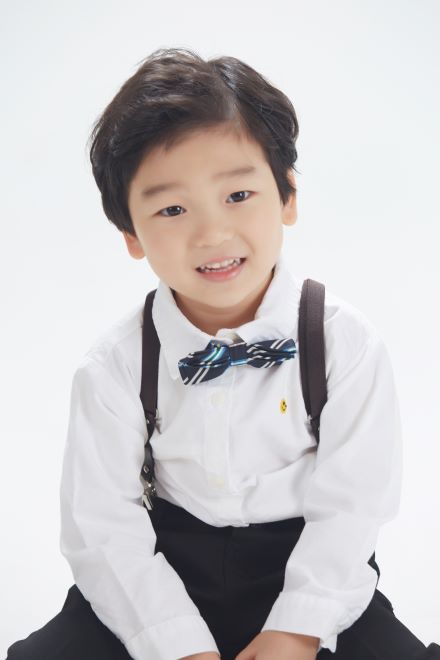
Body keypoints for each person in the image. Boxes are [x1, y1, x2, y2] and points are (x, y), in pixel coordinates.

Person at [6, 46, 440, 660]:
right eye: (172, 209)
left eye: (238, 195)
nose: (211, 234)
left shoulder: (343, 342)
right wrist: (175, 642)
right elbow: (103, 528)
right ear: (131, 234)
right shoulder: (115, 366)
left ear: (288, 196)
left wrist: (299, 627)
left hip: (307, 567)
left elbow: (353, 507)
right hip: (163, 572)